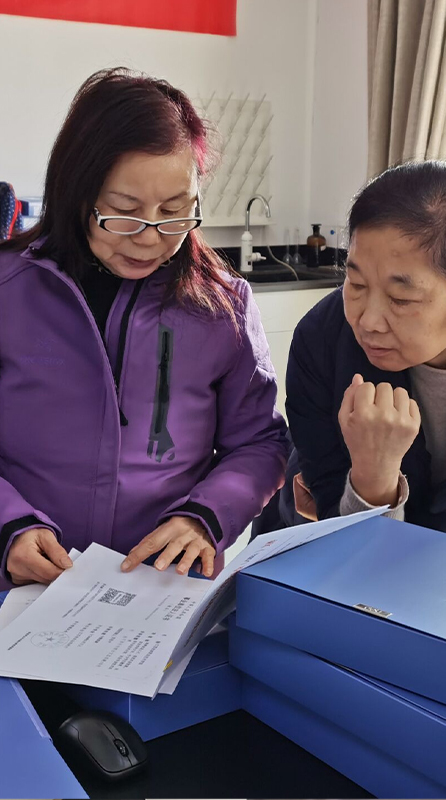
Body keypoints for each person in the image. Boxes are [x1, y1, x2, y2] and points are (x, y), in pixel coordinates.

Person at [0, 68, 288, 588]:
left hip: (160, 586)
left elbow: (261, 444)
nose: (150, 238)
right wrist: (9, 527)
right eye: (125, 212)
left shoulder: (222, 306)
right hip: (23, 584)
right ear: (76, 193)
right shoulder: (9, 289)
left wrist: (203, 517)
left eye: (175, 211)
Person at [285, 160, 446, 538]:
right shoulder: (321, 340)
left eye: (401, 298)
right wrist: (373, 476)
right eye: (356, 284)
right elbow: (336, 522)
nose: (368, 321)